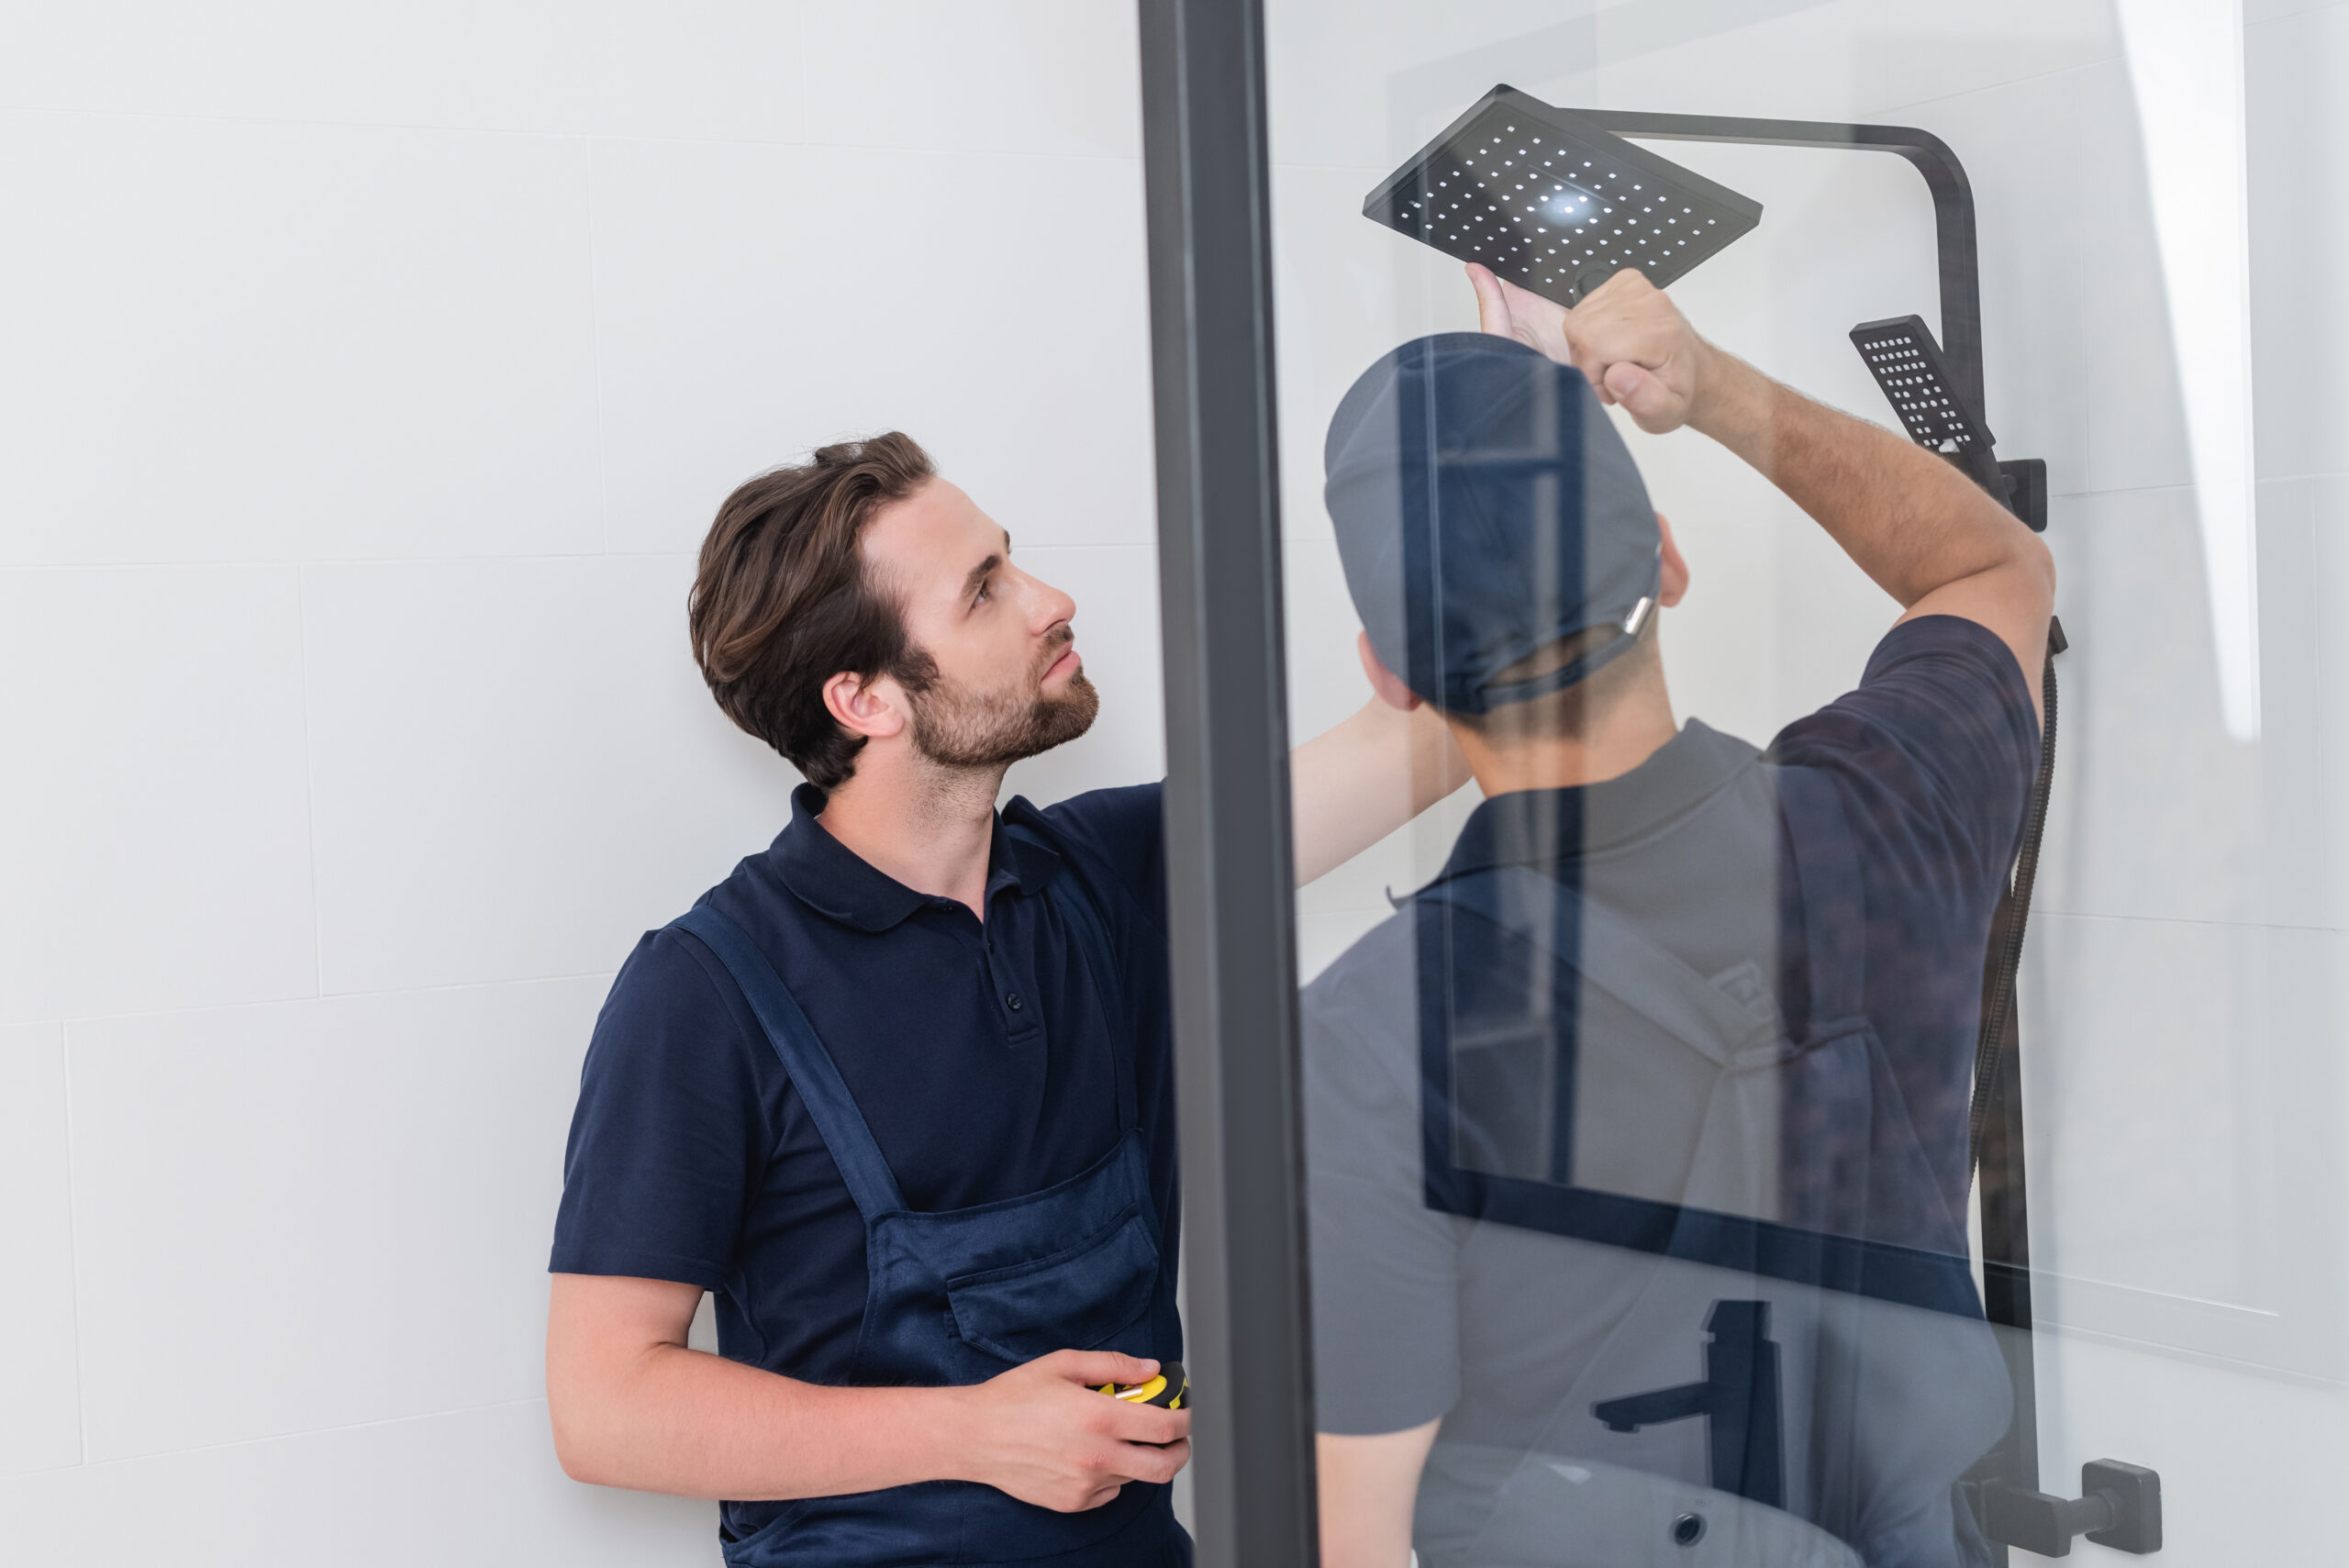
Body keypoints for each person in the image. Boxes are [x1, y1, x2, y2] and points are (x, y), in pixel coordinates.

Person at [541, 431, 1465, 1566]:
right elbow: (604, 1405)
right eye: (984, 592)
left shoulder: (1110, 876)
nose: (1051, 600)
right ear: (867, 698)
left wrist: (1525, 434)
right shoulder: (704, 992)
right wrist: (972, 1430)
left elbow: (1437, 730)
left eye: (1010, 562)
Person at [1305, 265, 2054, 1567]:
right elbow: (1993, 560)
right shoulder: (1893, 810)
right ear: (1664, 555)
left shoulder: (1367, 1042)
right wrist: (1705, 389)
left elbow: (1349, 1546)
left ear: (1390, 678)